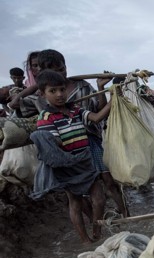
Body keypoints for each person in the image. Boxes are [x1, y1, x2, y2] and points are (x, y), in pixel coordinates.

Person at [36, 49, 129, 218]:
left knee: (108, 180)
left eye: (61, 69)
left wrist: (101, 88)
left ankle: (124, 213)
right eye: (53, 70)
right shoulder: (41, 95)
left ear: (66, 67)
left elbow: (98, 112)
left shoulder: (83, 86)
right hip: (68, 148)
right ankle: (95, 222)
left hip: (91, 140)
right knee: (77, 193)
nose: (60, 74)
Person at [31, 69, 113, 243]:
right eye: (53, 91)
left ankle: (97, 234)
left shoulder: (75, 110)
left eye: (62, 89)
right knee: (75, 202)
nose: (60, 94)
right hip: (68, 166)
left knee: (99, 198)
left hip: (85, 161)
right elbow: (55, 143)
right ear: (42, 94)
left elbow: (97, 117)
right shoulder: (45, 117)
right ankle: (85, 241)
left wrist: (115, 99)